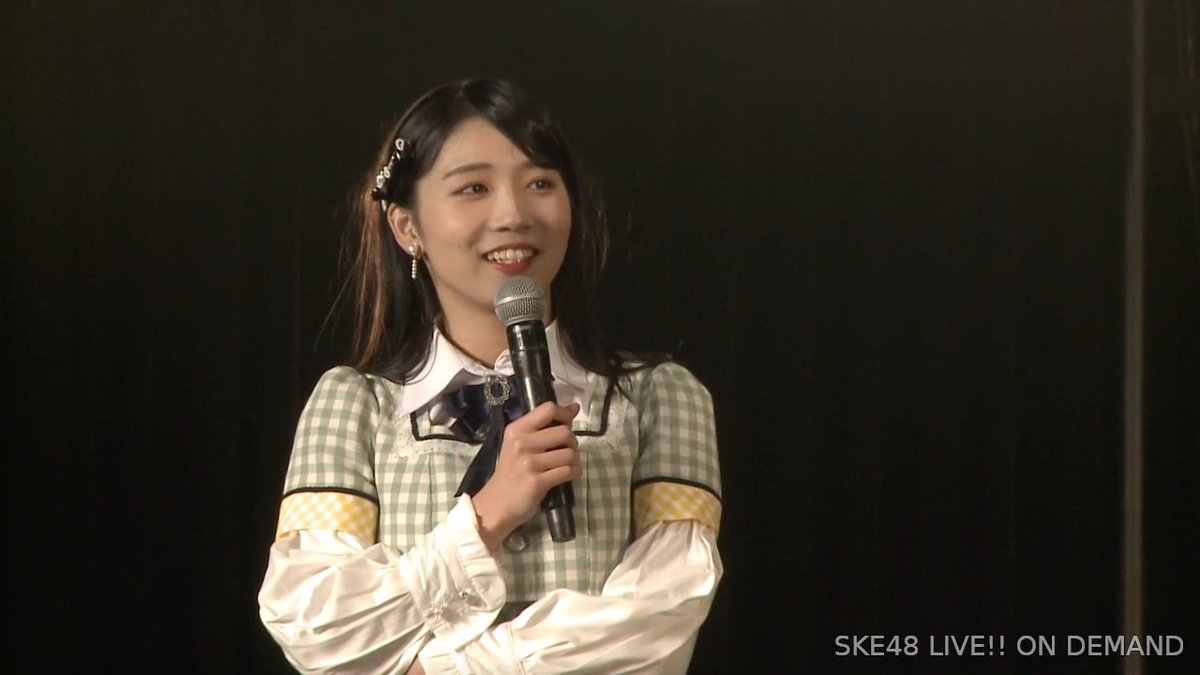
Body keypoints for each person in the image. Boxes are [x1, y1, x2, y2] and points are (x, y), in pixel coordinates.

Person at [257, 78, 723, 674]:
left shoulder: (659, 397)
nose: (514, 215)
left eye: (540, 184)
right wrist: (486, 517)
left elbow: (661, 617)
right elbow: (315, 624)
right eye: (473, 188)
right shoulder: (354, 406)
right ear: (407, 228)